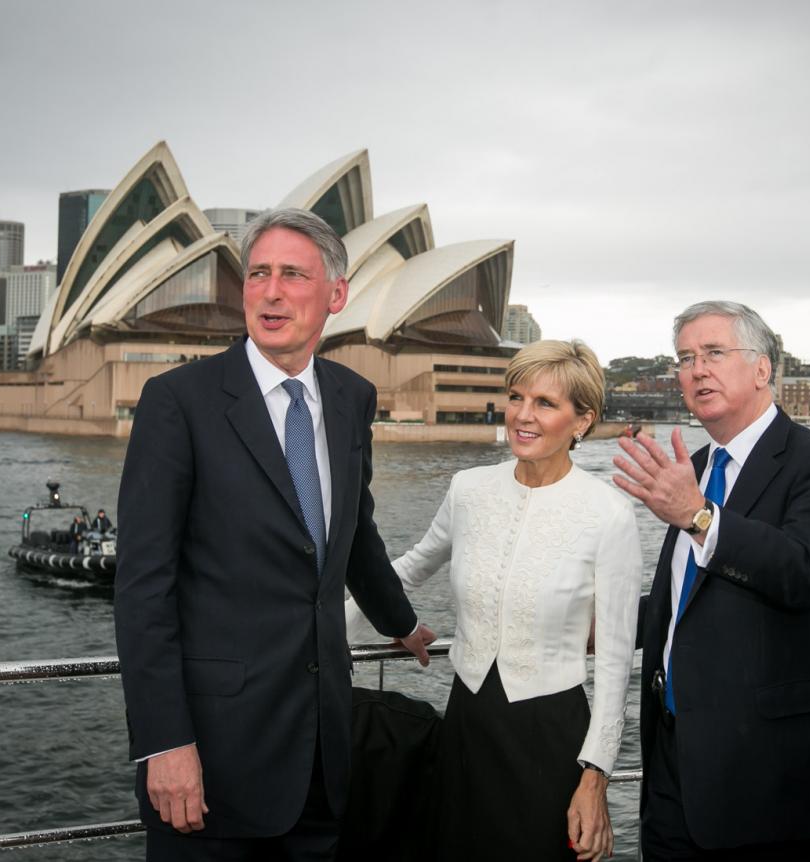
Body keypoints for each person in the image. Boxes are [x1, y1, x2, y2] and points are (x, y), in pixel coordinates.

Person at [114, 207, 434, 861]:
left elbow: (353, 529)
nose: (271, 290)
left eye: (293, 274)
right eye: (258, 273)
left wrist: (398, 620)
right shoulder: (178, 401)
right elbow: (143, 587)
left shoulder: (352, 398)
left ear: (336, 295)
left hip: (322, 752)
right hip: (210, 758)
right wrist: (164, 741)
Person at [348, 339, 642, 862]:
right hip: (467, 722)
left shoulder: (608, 514)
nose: (523, 417)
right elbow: (410, 567)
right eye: (516, 397)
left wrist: (594, 779)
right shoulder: (469, 488)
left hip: (551, 737)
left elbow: (617, 662)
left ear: (582, 421)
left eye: (545, 403)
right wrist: (328, 626)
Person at [613, 300, 810, 860]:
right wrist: (603, 623)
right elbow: (690, 597)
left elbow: (802, 570)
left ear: (762, 368)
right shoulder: (696, 467)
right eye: (684, 358)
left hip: (777, 786)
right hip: (674, 768)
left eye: (713, 353)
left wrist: (699, 516)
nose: (696, 369)